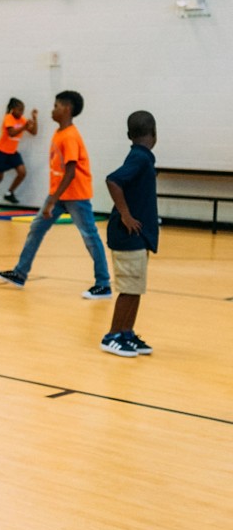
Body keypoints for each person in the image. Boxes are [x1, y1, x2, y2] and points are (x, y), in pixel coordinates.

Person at [0, 91, 111, 298]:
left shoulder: (71, 136)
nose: (52, 109)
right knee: (36, 228)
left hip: (75, 194)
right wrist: (53, 197)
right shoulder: (59, 133)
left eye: (56, 106)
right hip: (58, 194)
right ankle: (20, 273)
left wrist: (52, 200)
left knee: (90, 236)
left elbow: (71, 171)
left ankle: (103, 284)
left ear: (67, 109)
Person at [100, 111, 159, 357]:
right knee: (128, 288)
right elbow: (113, 180)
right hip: (127, 236)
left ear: (129, 135)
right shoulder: (140, 158)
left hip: (136, 237)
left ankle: (126, 331)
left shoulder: (142, 157)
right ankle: (112, 335)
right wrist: (125, 215)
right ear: (155, 134)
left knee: (135, 287)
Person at [0, 97, 38, 205]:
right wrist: (24, 127)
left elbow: (34, 132)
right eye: (19, 110)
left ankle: (9, 193)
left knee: (22, 172)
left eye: (23, 110)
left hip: (12, 152)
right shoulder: (8, 118)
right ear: (13, 109)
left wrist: (35, 119)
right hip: (1, 151)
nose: (22, 112)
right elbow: (11, 133)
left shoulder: (22, 119)